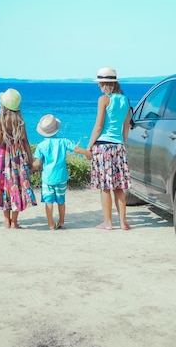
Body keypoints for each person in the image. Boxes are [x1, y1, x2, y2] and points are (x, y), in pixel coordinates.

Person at [0, 88, 37, 229]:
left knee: (4, 186)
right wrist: (30, 160)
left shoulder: (0, 120)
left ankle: (6, 221)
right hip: (17, 158)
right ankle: (15, 222)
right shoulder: (21, 122)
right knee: (16, 186)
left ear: (3, 106)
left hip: (2, 158)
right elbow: (26, 143)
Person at [86, 67, 132, 231]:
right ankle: (123, 222)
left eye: (100, 83)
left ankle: (108, 223)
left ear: (105, 84)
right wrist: (123, 145)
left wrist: (89, 146)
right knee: (119, 187)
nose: (98, 86)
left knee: (105, 187)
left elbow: (98, 126)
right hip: (119, 147)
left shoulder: (104, 100)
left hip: (103, 146)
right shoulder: (125, 100)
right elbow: (126, 127)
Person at [32, 114, 90, 230]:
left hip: (47, 178)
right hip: (62, 176)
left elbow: (37, 163)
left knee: (49, 202)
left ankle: (51, 224)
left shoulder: (41, 145)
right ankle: (62, 221)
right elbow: (76, 149)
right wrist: (88, 153)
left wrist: (29, 168)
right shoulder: (63, 141)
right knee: (61, 201)